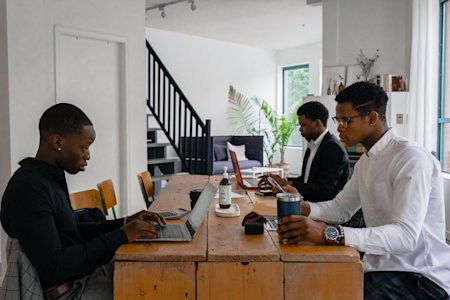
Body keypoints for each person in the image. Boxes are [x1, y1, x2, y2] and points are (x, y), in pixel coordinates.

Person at [277, 82, 450, 299]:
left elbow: (405, 236)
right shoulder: (365, 162)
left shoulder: (410, 158)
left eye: (345, 120)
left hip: (420, 276)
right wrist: (305, 209)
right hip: (379, 265)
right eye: (337, 120)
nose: (339, 127)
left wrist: (330, 233)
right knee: (311, 284)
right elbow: (341, 208)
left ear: (372, 118)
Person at [0, 103, 165, 299]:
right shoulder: (29, 189)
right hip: (72, 293)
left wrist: (125, 224)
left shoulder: (47, 178)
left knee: (154, 277)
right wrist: (121, 236)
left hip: (83, 279)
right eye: (85, 146)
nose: (88, 155)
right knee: (153, 288)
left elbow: (73, 232)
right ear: (57, 142)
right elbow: (55, 266)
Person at [269, 101, 349, 203]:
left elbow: (325, 190)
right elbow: (306, 180)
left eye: (303, 125)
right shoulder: (312, 145)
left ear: (317, 123)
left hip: (324, 211)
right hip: (309, 205)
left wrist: (287, 183)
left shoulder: (333, 148)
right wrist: (281, 181)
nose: (300, 129)